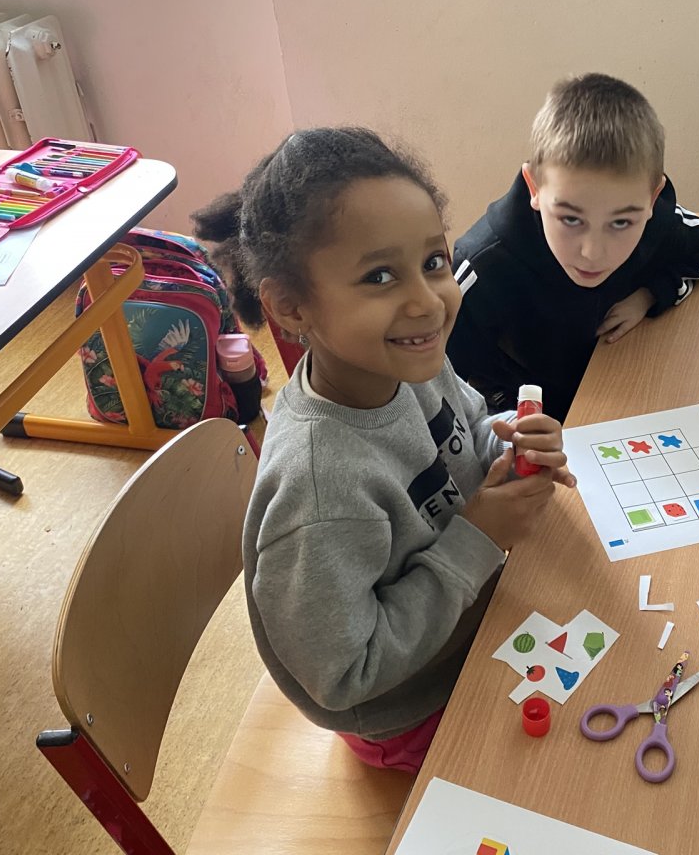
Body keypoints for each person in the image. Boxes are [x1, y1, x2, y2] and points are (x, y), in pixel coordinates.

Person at [192, 127, 575, 773]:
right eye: (379, 276)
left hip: (471, 617)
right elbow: (344, 674)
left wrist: (513, 439)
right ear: (290, 307)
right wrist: (479, 538)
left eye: (433, 262)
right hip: (408, 708)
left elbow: (466, 432)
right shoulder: (320, 489)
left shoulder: (405, 361)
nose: (427, 302)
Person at [447, 73, 699, 421]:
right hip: (522, 420)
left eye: (620, 223)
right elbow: (442, 385)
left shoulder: (655, 221)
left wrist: (649, 295)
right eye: (570, 219)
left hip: (615, 391)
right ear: (534, 188)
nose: (593, 252)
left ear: (652, 200)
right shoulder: (484, 265)